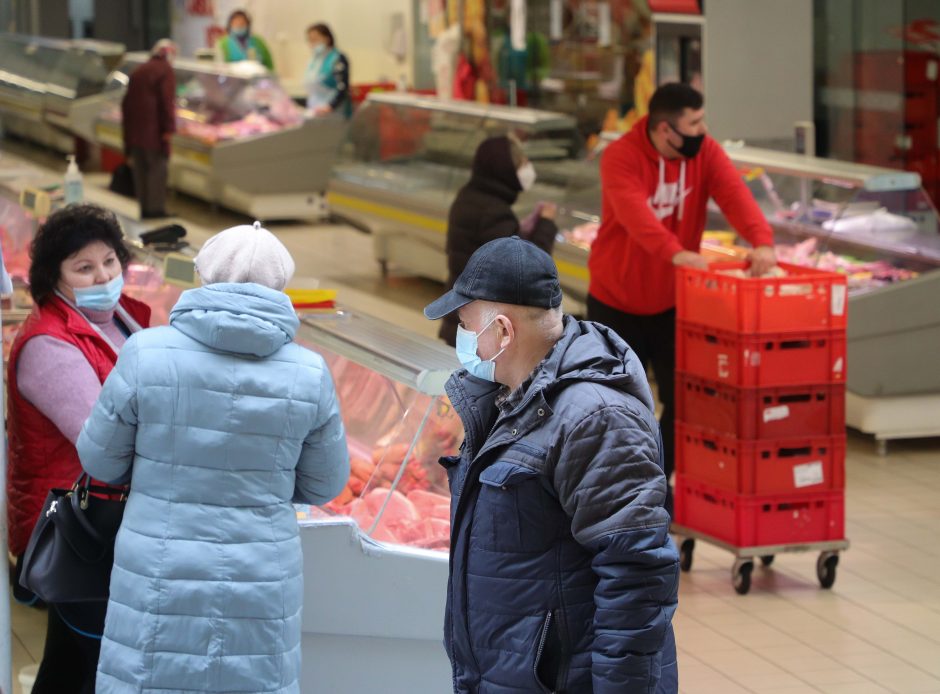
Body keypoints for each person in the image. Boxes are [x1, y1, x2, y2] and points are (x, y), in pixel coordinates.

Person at [77, 222, 350, 693]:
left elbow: (100, 462)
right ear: (280, 285)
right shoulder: (309, 373)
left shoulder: (146, 353)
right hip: (259, 579)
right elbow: (325, 484)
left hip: (158, 569)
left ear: (202, 276)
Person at [424, 236, 679, 694]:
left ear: (503, 331)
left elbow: (637, 578)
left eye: (465, 324)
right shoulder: (510, 400)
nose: (460, 339)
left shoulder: (596, 419)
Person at [588, 82, 777, 515]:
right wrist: (677, 253)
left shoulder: (704, 152)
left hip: (675, 303)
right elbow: (636, 216)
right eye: (694, 123)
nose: (702, 129)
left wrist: (762, 241)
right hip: (615, 300)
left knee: (684, 401)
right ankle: (619, 492)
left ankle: (656, 484)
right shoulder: (621, 157)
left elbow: (734, 194)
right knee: (623, 405)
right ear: (665, 130)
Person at [6, 204, 151, 694]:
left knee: (71, 661)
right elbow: (103, 445)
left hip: (101, 519)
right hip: (72, 525)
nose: (103, 276)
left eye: (109, 261)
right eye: (84, 268)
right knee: (98, 659)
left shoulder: (125, 319)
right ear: (55, 277)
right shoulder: (50, 345)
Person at [440, 135, 557, 346]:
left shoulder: (470, 196)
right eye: (522, 163)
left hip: (462, 315)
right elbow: (528, 268)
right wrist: (546, 224)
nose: (527, 168)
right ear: (505, 170)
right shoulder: (493, 211)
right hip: (482, 327)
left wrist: (518, 231)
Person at [122, 39, 177, 219]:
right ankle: (156, 210)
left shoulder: (139, 70)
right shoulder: (165, 70)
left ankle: (145, 208)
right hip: (153, 132)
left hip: (135, 131)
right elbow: (166, 101)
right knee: (156, 170)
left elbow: (126, 102)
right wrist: (168, 128)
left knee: (141, 171)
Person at [304, 23, 351, 118]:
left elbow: (342, 87)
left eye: (315, 39)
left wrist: (330, 106)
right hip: (315, 108)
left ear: (327, 38)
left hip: (332, 111)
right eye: (310, 39)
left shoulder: (337, 58)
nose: (312, 43)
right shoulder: (314, 59)